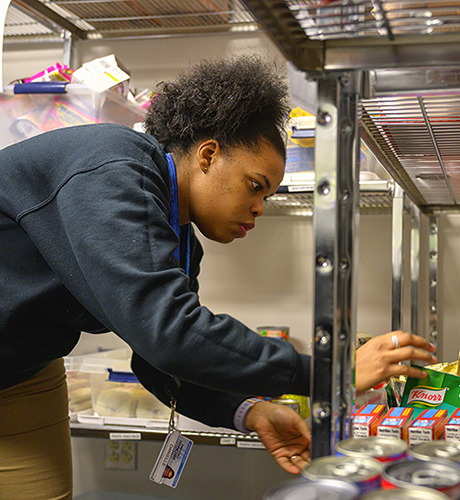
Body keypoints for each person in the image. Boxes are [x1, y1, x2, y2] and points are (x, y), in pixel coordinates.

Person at [0, 55, 437, 500]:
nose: (260, 208)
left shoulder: (180, 237)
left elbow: (161, 358)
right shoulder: (112, 169)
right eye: (255, 185)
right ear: (209, 155)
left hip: (24, 375)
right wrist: (330, 372)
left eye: (268, 195)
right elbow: (169, 332)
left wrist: (248, 410)